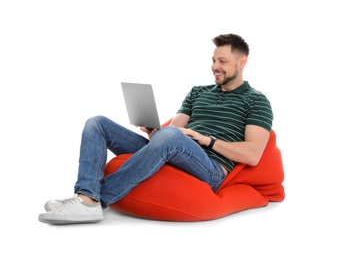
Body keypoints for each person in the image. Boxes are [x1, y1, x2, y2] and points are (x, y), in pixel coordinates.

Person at [38, 33, 273, 225]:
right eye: (213, 60)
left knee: (170, 135)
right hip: (176, 149)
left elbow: (252, 155)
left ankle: (93, 202)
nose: (214, 66)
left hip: (210, 168)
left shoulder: (256, 101)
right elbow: (175, 128)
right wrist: (154, 132)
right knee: (97, 122)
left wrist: (204, 139)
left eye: (222, 61)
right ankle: (85, 195)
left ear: (242, 62)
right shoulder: (197, 92)